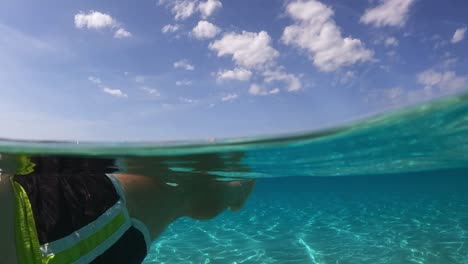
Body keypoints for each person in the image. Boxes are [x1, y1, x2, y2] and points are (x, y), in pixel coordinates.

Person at [0, 155, 256, 264]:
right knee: (183, 195)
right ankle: (235, 192)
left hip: (32, 208)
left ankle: (233, 192)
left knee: (179, 193)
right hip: (37, 239)